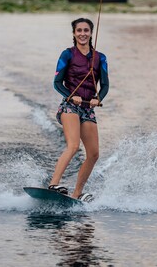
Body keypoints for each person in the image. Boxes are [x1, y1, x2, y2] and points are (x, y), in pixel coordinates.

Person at [49, 18, 109, 202]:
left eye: (86, 30)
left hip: (87, 109)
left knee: (93, 153)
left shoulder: (100, 58)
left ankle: (77, 193)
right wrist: (70, 95)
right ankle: (53, 184)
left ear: (91, 33)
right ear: (74, 33)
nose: (82, 33)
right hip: (70, 106)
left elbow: (105, 85)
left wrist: (98, 98)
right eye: (79, 30)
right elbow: (57, 83)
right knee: (74, 146)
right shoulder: (67, 54)